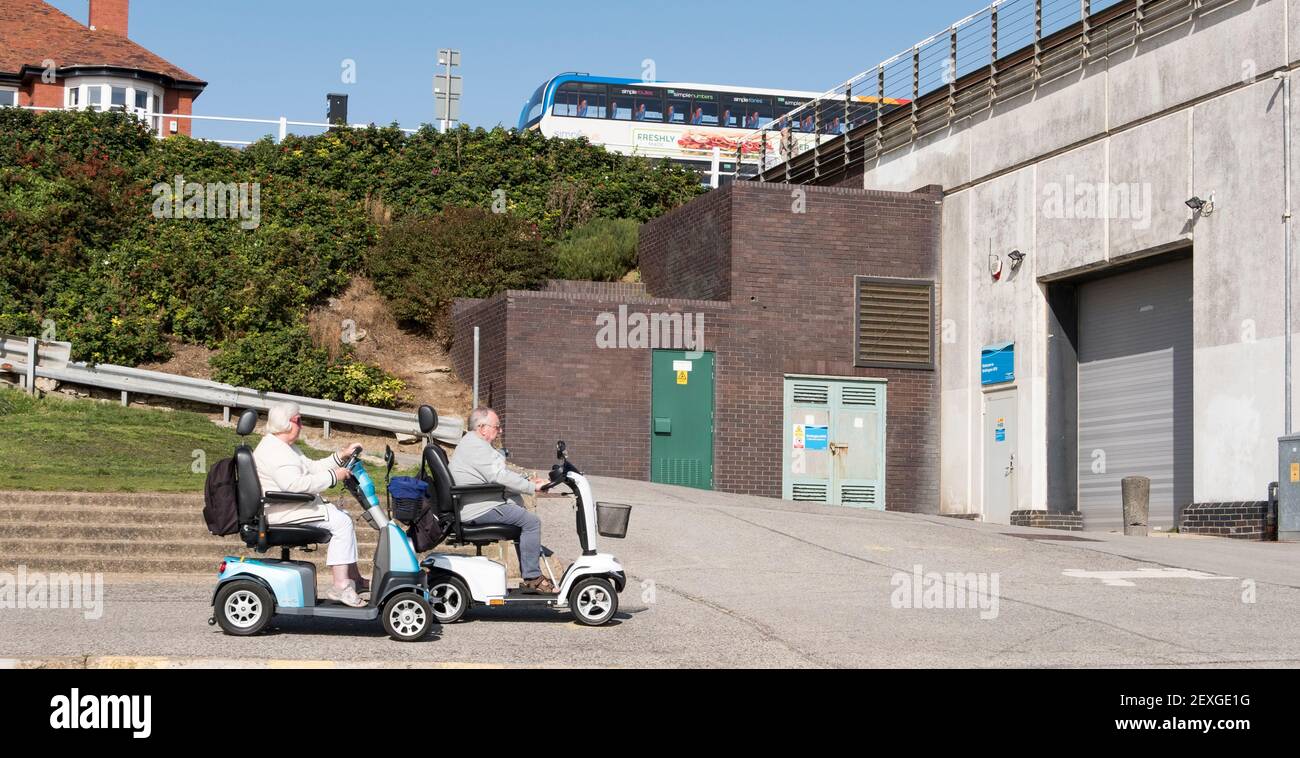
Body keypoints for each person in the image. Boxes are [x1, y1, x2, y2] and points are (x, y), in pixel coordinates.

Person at [253, 402, 368, 607]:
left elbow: (312, 468)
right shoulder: (276, 452)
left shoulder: (284, 447)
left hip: (289, 507)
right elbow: (294, 484)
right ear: (287, 423)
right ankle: (341, 586)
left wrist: (341, 455)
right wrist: (335, 476)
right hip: (282, 511)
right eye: (299, 420)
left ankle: (355, 579)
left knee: (343, 517)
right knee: (341, 522)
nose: (302, 425)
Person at [449, 407, 553, 593]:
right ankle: (533, 577)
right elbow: (499, 476)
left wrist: (525, 479)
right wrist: (531, 487)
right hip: (480, 508)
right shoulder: (476, 447)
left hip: (479, 503)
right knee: (531, 522)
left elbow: (497, 473)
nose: (500, 431)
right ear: (482, 428)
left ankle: (530, 575)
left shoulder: (473, 444)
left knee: (522, 516)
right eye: (497, 427)